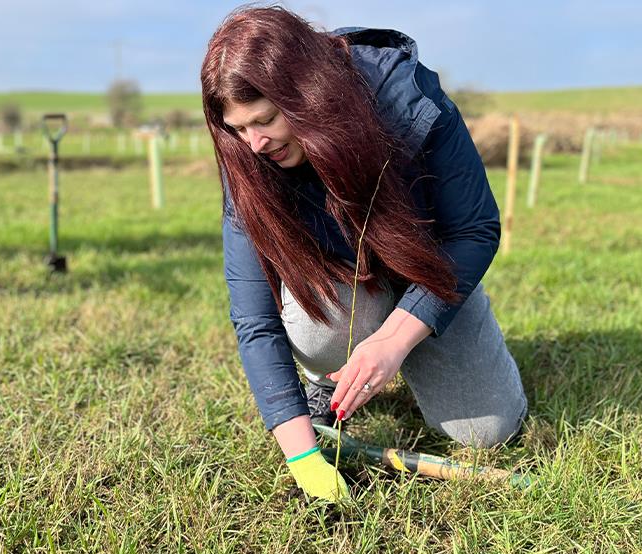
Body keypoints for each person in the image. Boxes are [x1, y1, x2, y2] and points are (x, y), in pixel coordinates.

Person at [201, 7, 527, 501]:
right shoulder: (247, 155)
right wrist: (302, 455)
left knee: (488, 431)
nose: (256, 142)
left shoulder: (408, 102)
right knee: (313, 330)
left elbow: (475, 229)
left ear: (304, 92)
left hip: (430, 274)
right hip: (347, 284)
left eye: (266, 119)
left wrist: (394, 340)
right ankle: (328, 380)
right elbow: (255, 321)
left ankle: (426, 341)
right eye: (239, 128)